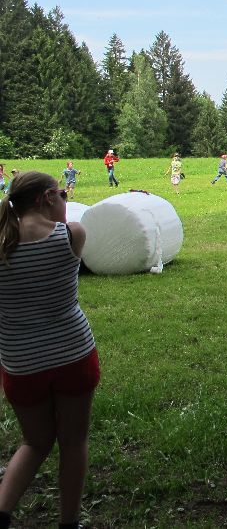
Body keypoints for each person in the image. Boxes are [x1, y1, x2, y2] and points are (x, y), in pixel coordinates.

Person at [0, 172, 99, 529]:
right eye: (61, 193)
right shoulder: (72, 234)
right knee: (73, 442)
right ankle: (68, 523)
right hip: (74, 355)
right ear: (46, 198)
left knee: (34, 442)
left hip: (21, 363)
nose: (65, 199)